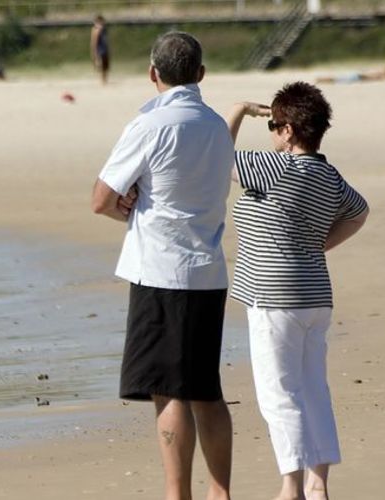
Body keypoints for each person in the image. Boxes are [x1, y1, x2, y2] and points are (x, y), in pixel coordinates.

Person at [91, 32, 235, 500]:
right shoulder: (217, 126)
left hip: (161, 269)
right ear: (200, 74)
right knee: (205, 390)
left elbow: (101, 199)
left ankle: (178, 493)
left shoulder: (150, 125)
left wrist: (129, 209)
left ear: (153, 73)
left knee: (168, 389)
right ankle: (220, 491)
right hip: (208, 270)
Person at [225, 82, 369, 500]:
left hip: (274, 296)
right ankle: (317, 484)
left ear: (288, 131)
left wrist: (237, 111)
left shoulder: (277, 166)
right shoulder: (328, 175)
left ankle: (291, 488)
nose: (271, 132)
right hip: (314, 293)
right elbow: (358, 213)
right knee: (312, 389)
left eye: (273, 125)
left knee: (279, 393)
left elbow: (214, 156)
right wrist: (318, 245)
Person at [315, 65, 385, 84]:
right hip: (359, 77)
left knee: (336, 79)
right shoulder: (382, 73)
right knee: (336, 79)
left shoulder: (380, 71)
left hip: (358, 75)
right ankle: (320, 79)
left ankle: (321, 79)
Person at [90, 15, 110, 85]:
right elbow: (94, 42)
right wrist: (94, 53)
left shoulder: (104, 30)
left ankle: (105, 80)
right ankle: (102, 81)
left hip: (104, 49)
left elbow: (106, 41)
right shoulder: (96, 30)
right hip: (100, 50)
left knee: (105, 66)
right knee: (101, 66)